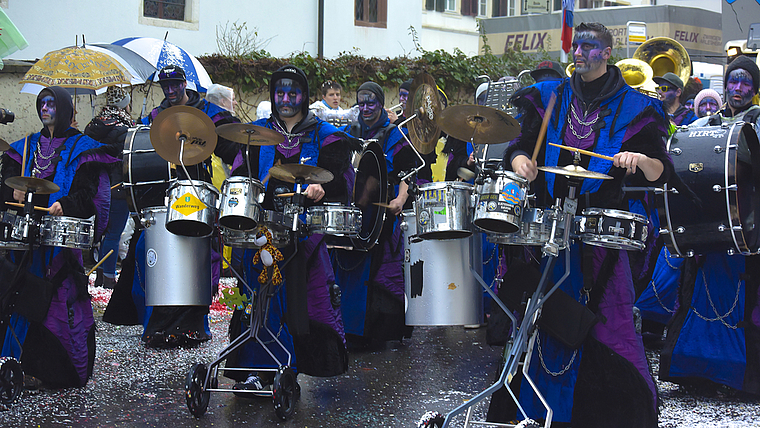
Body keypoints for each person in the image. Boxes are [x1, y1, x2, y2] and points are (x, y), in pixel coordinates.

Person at [499, 22, 671, 427]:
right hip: (551, 229)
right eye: (576, 45)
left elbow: (661, 170)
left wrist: (640, 161)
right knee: (543, 316)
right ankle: (536, 410)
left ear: (606, 53)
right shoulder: (549, 95)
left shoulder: (636, 106)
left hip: (601, 240)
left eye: (588, 46)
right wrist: (519, 160)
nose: (578, 52)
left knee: (609, 321)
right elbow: (519, 144)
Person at [225, 65, 356, 392]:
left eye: (292, 93)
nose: (285, 99)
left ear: (304, 96)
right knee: (257, 299)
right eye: (279, 93)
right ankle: (257, 368)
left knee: (296, 301)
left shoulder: (323, 133)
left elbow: (341, 177)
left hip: (304, 233)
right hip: (262, 231)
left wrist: (323, 187)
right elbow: (241, 178)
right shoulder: (256, 133)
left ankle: (288, 367)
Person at [109, 65, 243, 348]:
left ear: (185, 83)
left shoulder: (205, 111)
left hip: (194, 195)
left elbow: (232, 142)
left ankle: (193, 326)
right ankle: (154, 324)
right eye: (165, 86)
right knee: (149, 254)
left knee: (192, 260)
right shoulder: (156, 116)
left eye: (175, 85)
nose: (170, 91)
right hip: (160, 198)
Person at [0, 86, 117, 389]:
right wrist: (10, 190)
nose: (45, 109)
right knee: (17, 296)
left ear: (64, 109)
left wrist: (65, 205)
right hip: (24, 240)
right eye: (42, 103)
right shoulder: (25, 146)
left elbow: (90, 195)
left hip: (58, 244)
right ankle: (13, 366)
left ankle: (54, 371)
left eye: (52, 104)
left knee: (56, 301)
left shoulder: (83, 148)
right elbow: (5, 185)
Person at [660, 55, 760, 396]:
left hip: (745, 225)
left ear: (754, 89)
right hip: (710, 224)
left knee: (741, 297)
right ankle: (695, 370)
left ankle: (734, 374)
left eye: (746, 83)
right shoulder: (708, 123)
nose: (738, 88)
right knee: (699, 292)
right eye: (734, 81)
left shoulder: (758, 122)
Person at [332, 81, 418, 346]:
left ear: (381, 104)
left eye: (372, 103)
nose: (366, 108)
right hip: (353, 213)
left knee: (378, 271)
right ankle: (344, 328)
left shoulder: (394, 133)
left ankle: (374, 334)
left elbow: (409, 171)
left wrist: (401, 199)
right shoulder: (350, 131)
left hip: (382, 215)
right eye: (362, 103)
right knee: (346, 267)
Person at [84, 85, 135, 289]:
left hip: (96, 187)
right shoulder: (125, 129)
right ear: (125, 104)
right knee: (115, 232)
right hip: (117, 186)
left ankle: (99, 273)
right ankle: (108, 277)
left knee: (101, 232)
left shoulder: (93, 125)